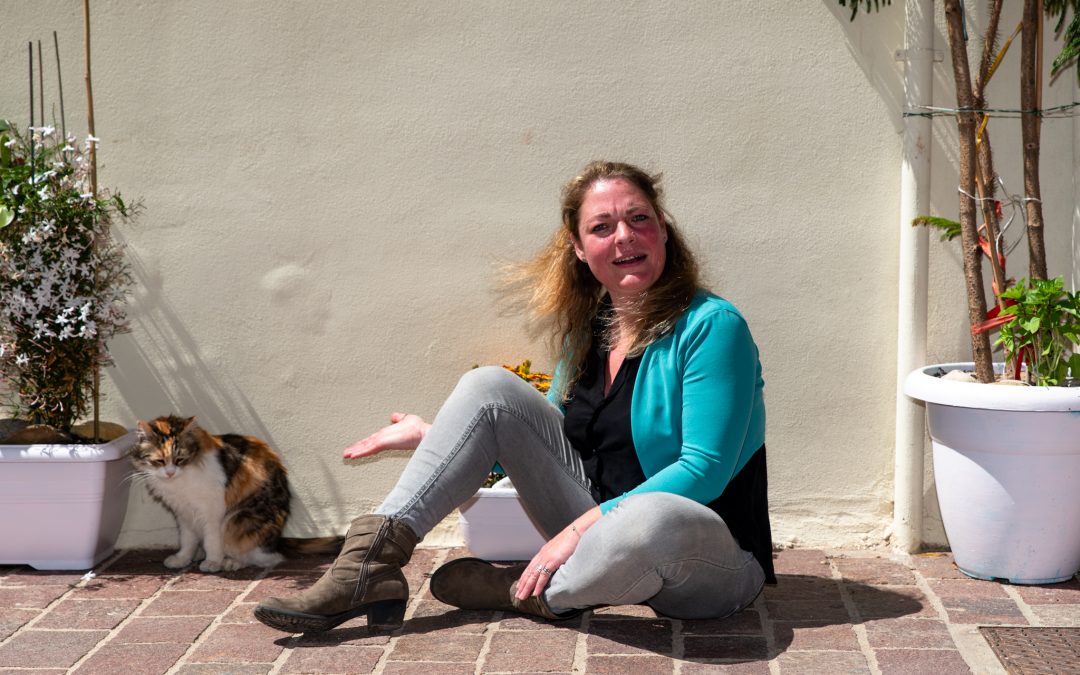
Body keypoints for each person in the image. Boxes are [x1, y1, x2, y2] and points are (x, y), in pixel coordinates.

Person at [254, 160, 774, 634]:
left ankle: (524, 592)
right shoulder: (591, 329)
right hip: (595, 535)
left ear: (662, 227)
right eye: (601, 227)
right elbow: (548, 448)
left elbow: (703, 470)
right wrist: (436, 437)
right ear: (578, 247)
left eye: (638, 219)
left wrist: (577, 532)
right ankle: (366, 567)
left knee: (649, 516)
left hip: (707, 558)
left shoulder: (711, 327)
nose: (623, 237)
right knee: (490, 389)